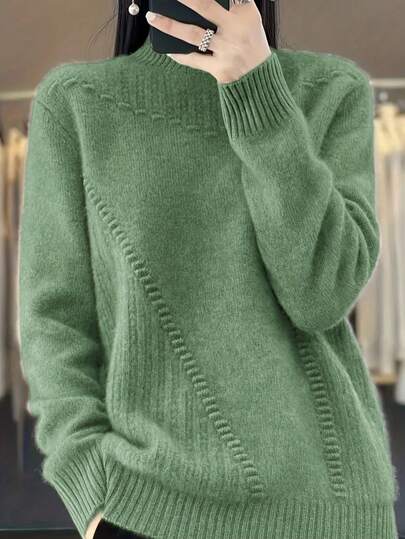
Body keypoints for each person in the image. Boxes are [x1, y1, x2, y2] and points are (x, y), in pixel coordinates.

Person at [18, 0, 399, 538]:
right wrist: (88, 483)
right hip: (143, 506)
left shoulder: (331, 91)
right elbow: (54, 320)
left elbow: (321, 297)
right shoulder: (77, 104)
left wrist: (257, 91)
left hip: (323, 509)